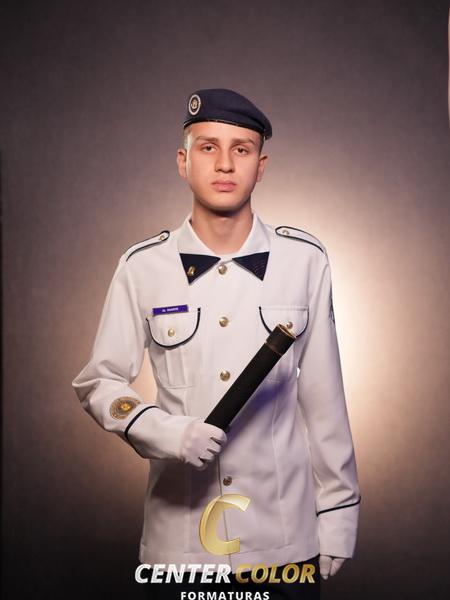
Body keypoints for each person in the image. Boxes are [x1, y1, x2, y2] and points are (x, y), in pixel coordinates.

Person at [72, 88, 361, 599]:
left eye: (241, 149)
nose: (225, 164)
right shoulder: (142, 267)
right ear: (183, 162)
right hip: (180, 545)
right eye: (208, 147)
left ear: (260, 166)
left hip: (282, 543)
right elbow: (99, 382)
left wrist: (338, 514)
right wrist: (165, 431)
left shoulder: (304, 261)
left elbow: (325, 402)